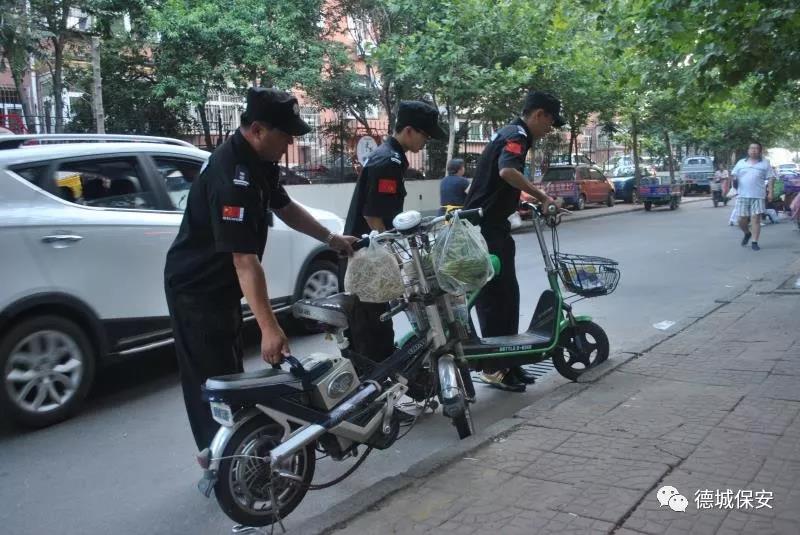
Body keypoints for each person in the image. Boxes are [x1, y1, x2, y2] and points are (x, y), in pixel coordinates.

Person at [164, 87, 357, 450]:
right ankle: (219, 459)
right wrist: (270, 328)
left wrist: (331, 238)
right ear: (257, 130)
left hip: (223, 287)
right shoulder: (231, 177)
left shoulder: (259, 162)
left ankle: (242, 449)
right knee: (212, 382)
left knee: (229, 368)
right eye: (285, 135)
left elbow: (285, 207)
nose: (289, 144)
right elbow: (244, 260)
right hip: (196, 289)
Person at [463, 90, 564, 392]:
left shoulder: (512, 134)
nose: (549, 129)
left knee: (507, 297)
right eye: (550, 123)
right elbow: (507, 171)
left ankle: (508, 362)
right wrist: (542, 196)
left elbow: (500, 181)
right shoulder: (516, 134)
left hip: (494, 227)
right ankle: (493, 368)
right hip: (483, 230)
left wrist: (525, 200)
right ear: (539, 114)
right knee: (494, 298)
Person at [344, 101, 447, 364]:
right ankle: (371, 386)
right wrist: (394, 256)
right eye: (425, 135)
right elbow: (372, 215)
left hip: (369, 256)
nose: (426, 141)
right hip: (368, 259)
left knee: (376, 327)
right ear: (409, 130)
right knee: (373, 334)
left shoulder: (392, 157)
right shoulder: (388, 161)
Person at [730, 142, 776, 251]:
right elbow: (733, 175)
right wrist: (732, 185)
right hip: (742, 195)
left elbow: (771, 178)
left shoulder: (765, 163)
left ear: (760, 151)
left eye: (756, 148)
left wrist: (770, 192)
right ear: (748, 150)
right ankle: (747, 233)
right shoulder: (741, 162)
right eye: (751, 148)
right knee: (741, 219)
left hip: (758, 195)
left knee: (755, 219)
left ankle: (755, 242)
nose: (754, 150)